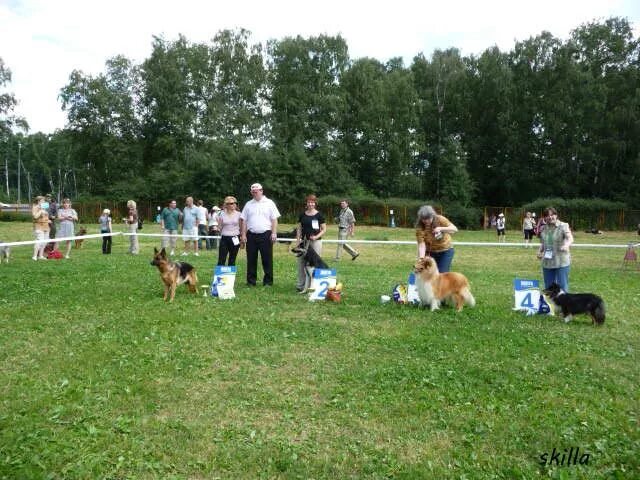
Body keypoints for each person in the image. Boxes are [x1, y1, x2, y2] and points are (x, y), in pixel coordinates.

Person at [240, 183, 280, 286]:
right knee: (251, 259)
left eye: (256, 191)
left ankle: (268, 282)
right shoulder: (248, 204)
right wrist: (243, 235)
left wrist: (274, 233)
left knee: (267, 259)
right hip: (251, 235)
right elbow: (244, 220)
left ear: (261, 191)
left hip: (266, 234)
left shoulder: (269, 203)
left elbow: (274, 219)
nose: (254, 194)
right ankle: (251, 282)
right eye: (253, 192)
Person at [295, 194, 327, 292]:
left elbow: (324, 229)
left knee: (314, 264)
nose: (310, 204)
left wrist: (316, 237)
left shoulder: (319, 215)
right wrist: (298, 241)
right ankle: (301, 285)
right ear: (306, 203)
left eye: (312, 202)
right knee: (301, 263)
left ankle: (314, 286)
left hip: (316, 242)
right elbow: (299, 229)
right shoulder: (302, 215)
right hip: (304, 243)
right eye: (309, 202)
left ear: (315, 203)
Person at [537, 207, 574, 292]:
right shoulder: (543, 228)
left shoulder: (563, 226)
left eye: (552, 215)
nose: (550, 217)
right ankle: (550, 305)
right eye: (547, 215)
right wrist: (539, 251)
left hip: (561, 261)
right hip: (547, 262)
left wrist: (566, 245)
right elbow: (543, 243)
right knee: (549, 287)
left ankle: (564, 305)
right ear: (544, 217)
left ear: (556, 215)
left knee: (562, 286)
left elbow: (570, 238)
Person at [415, 205, 458, 273]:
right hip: (430, 252)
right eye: (424, 219)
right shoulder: (419, 228)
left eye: (428, 218)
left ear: (433, 216)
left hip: (446, 251)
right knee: (427, 273)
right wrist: (421, 259)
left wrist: (441, 229)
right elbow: (421, 245)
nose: (426, 221)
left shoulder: (440, 219)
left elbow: (454, 229)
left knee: (442, 273)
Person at [217, 197, 242, 266]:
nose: (234, 205)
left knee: (232, 259)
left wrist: (242, 238)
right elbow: (219, 227)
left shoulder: (239, 214)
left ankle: (230, 277)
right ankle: (220, 276)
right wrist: (216, 229)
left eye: (235, 203)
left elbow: (241, 227)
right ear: (226, 205)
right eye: (231, 203)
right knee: (221, 259)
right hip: (225, 238)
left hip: (235, 238)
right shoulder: (221, 214)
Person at [31, 195, 50, 260]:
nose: (44, 202)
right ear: (38, 201)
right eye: (43, 200)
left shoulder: (44, 208)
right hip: (38, 226)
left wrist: (48, 220)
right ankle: (34, 256)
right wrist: (40, 211)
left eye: (44, 200)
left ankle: (41, 255)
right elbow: (35, 217)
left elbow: (45, 216)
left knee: (45, 241)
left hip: (46, 226)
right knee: (39, 241)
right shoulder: (35, 207)